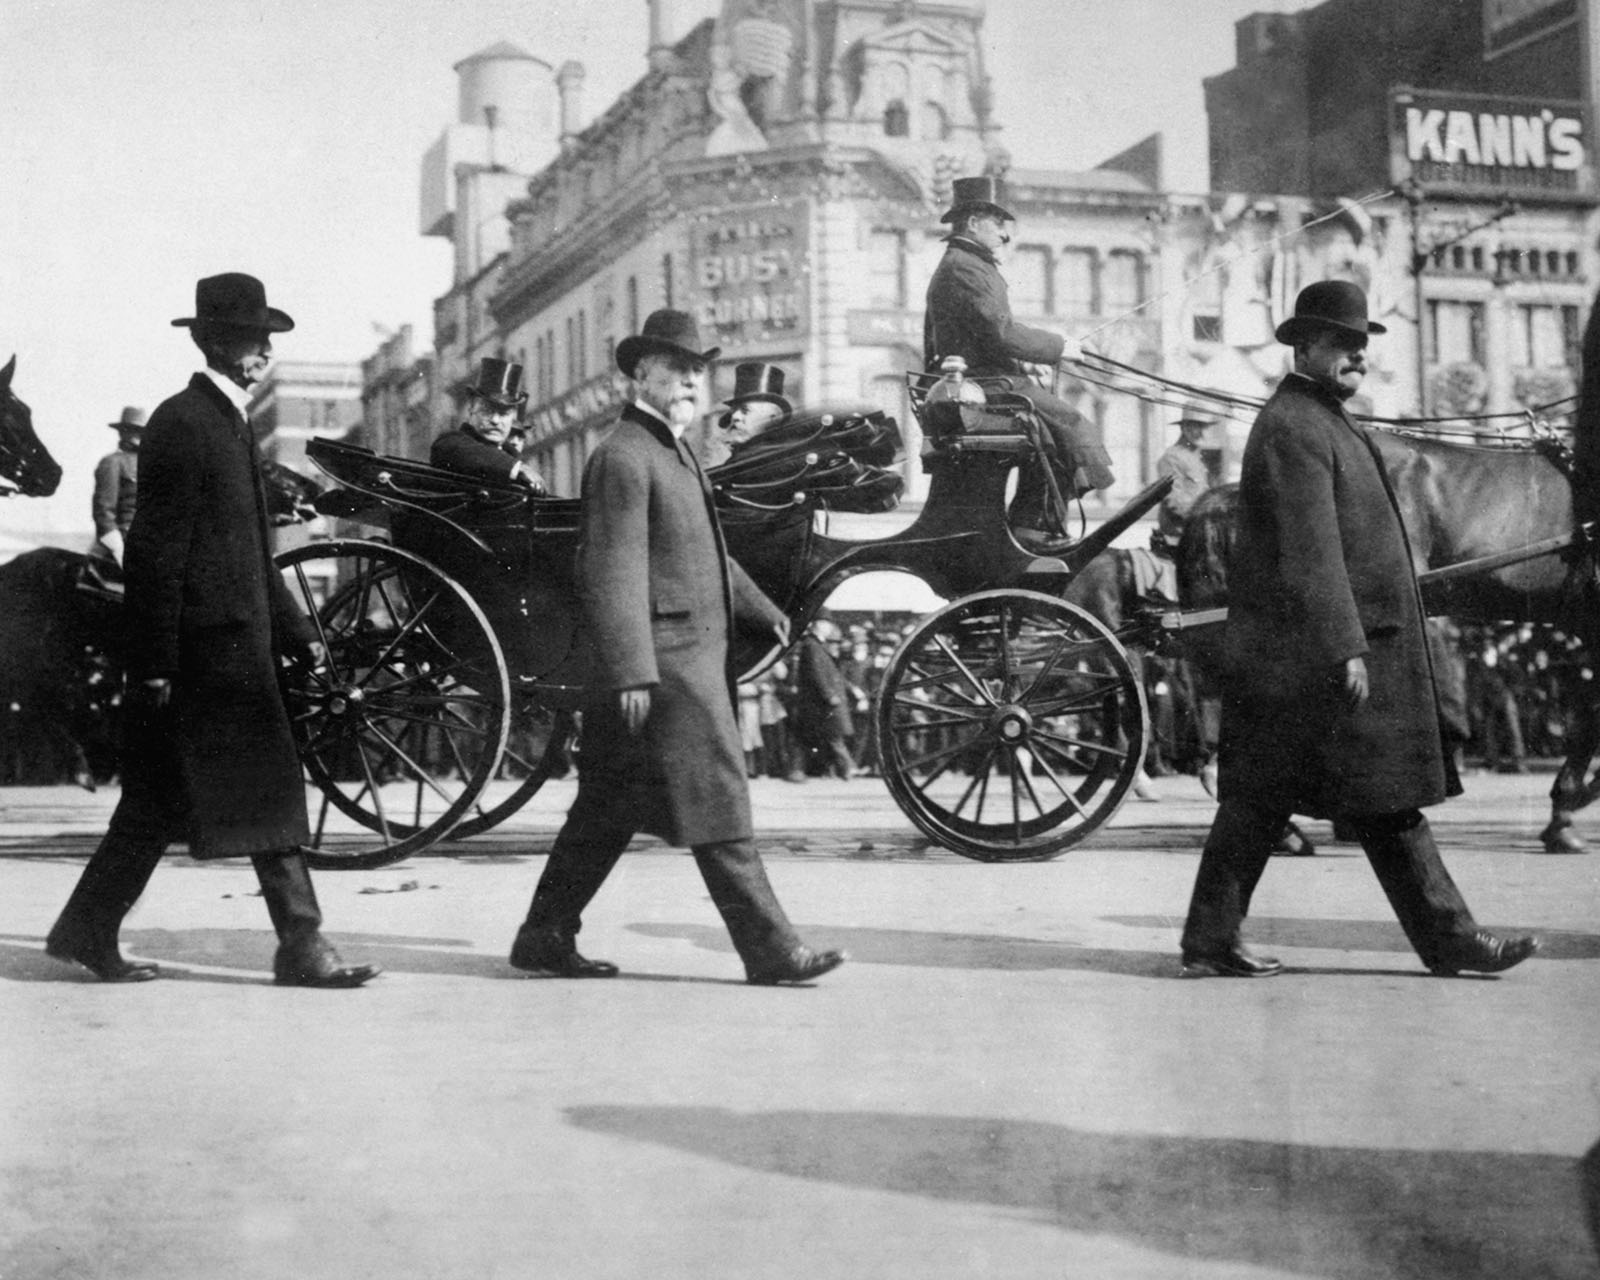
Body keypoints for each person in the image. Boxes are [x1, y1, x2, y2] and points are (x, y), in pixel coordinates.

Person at [1177, 279, 1538, 979]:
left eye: (1362, 346)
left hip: (1316, 656)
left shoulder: (1323, 419)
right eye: (1341, 344)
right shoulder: (1292, 427)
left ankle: (1214, 941)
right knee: (1350, 801)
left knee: (1323, 802)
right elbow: (1309, 549)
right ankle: (1449, 941)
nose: (1356, 357)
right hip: (1319, 657)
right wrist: (1344, 644)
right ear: (1304, 346)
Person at [45, 272, 379, 987]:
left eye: (265, 340)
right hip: (208, 658)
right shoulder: (183, 422)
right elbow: (160, 551)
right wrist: (156, 663)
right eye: (249, 338)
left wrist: (299, 633)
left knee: (157, 805)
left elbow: (253, 553)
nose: (262, 352)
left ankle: (87, 929)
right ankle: (302, 946)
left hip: (231, 646)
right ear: (212, 342)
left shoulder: (225, 422)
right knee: (268, 796)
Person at [506, 309, 845, 985]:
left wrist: (764, 611)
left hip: (679, 656)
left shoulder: (676, 450)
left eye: (698, 372)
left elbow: (711, 554)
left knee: (604, 807)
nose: (692, 382)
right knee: (717, 798)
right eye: (677, 370)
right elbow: (612, 569)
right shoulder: (624, 455)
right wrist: (632, 670)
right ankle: (771, 949)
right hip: (664, 663)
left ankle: (543, 935)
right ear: (639, 374)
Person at [923, 174, 1113, 540]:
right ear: (974, 223)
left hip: (984, 378)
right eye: (998, 223)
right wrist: (1060, 346)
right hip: (982, 385)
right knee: (1071, 424)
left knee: (1061, 425)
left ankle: (1034, 522)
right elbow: (1002, 331)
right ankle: (1033, 526)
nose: (1005, 233)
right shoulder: (965, 266)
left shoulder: (967, 263)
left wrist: (1027, 359)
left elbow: (985, 332)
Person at [430, 357, 545, 493]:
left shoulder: (512, 457)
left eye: (503, 413)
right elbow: (454, 449)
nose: (495, 420)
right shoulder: (450, 444)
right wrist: (518, 468)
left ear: (512, 417)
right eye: (487, 411)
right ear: (472, 408)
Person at [1153, 401, 1220, 554]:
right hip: (1179, 538)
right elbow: (1174, 501)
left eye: (1205, 427)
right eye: (1196, 427)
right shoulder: (1171, 458)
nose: (1201, 433)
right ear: (1184, 428)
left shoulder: (1195, 458)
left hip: (1199, 534)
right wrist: (1207, 519)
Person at [89, 406, 145, 569]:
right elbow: (103, 510)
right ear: (122, 432)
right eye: (131, 430)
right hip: (125, 540)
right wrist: (117, 547)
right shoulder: (112, 462)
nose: (136, 436)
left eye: (140, 431)